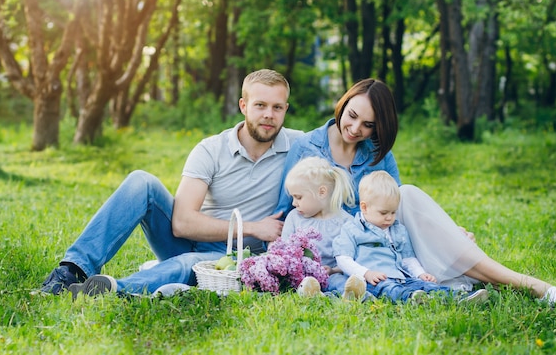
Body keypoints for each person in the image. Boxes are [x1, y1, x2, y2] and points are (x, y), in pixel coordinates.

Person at [275, 78, 556, 305]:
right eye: (351, 115)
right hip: (348, 255)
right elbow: (289, 208)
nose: (355, 129)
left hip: (386, 243)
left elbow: (394, 206)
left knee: (408, 193)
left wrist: (445, 230)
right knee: (434, 246)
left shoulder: (378, 153)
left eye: (368, 125)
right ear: (342, 103)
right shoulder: (306, 147)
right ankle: (527, 285)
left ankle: (520, 282)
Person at [39, 69, 303, 298]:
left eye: (277, 107)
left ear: (286, 110)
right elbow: (182, 223)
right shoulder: (211, 149)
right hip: (190, 240)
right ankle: (72, 269)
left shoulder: (299, 146)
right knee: (141, 182)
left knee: (188, 263)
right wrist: (255, 228)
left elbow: (338, 137)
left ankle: (111, 290)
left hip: (238, 258)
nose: (269, 115)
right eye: (260, 105)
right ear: (243, 106)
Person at [330, 170, 489, 304]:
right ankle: (412, 298)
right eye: (384, 213)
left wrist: (420, 273)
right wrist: (366, 273)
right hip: (373, 281)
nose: (389, 218)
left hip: (401, 277)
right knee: (390, 290)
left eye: (393, 212)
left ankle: (458, 297)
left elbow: (407, 258)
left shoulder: (397, 229)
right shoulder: (352, 230)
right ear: (364, 207)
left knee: (424, 285)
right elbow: (343, 259)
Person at [278, 156, 364, 299]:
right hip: (302, 275)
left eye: (298, 197)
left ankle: (351, 294)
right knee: (304, 283)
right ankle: (317, 294)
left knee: (339, 282)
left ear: (322, 192)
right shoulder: (294, 218)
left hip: (331, 274)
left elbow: (351, 257)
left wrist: (333, 270)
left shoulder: (345, 222)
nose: (294, 203)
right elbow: (285, 251)